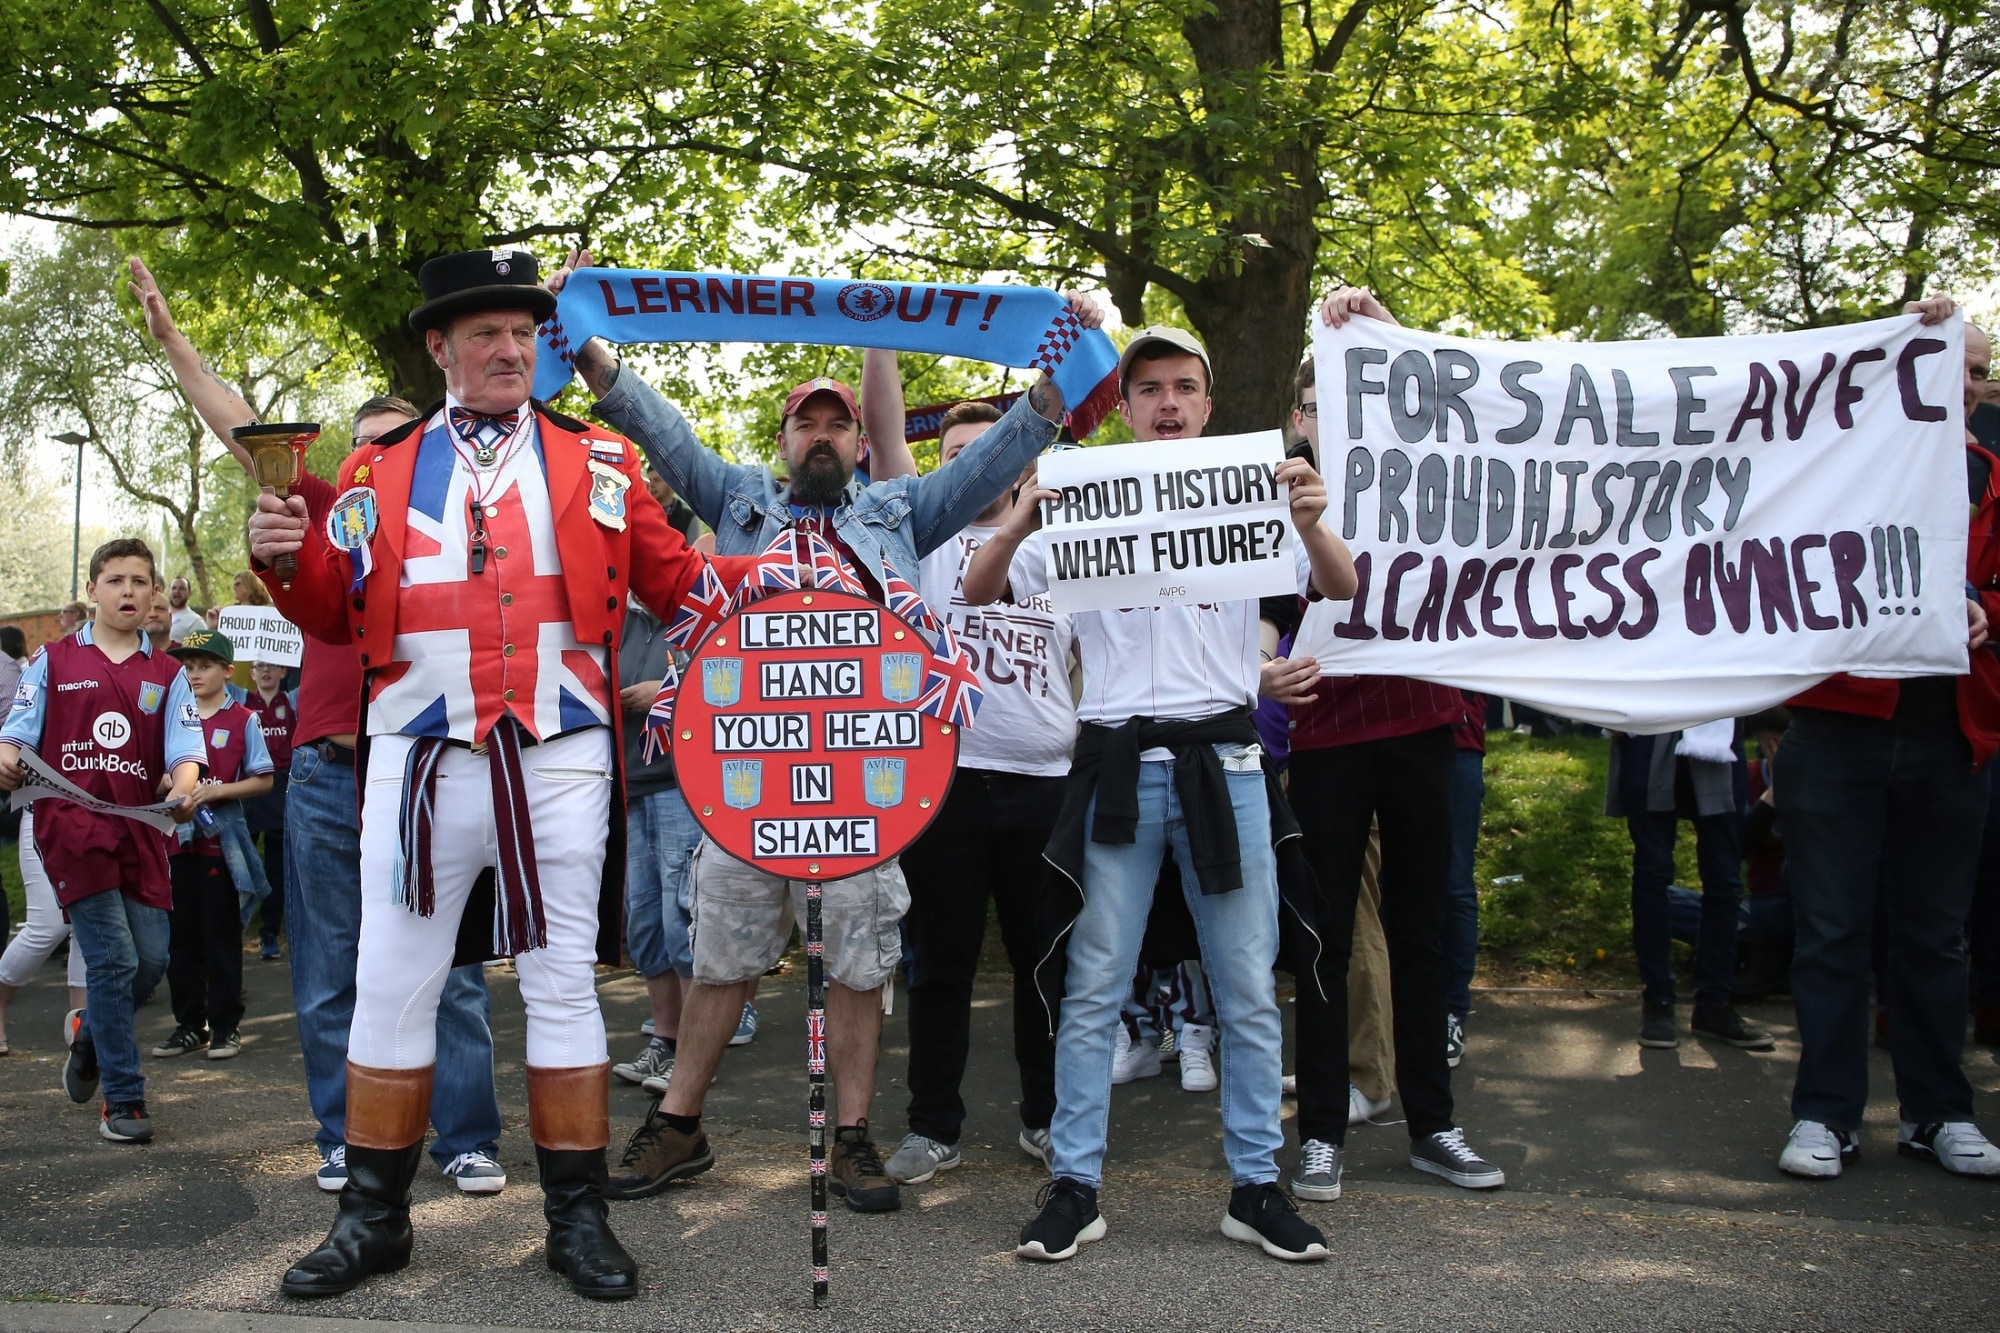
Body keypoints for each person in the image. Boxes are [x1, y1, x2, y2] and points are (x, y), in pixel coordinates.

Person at [248, 248, 753, 1299]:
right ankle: (373, 1219)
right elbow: (330, 615)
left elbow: (685, 582)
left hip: (561, 753)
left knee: (564, 978)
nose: (510, 349)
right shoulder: (373, 473)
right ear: (440, 348)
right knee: (393, 976)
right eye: (486, 333)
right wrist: (278, 557)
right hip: (418, 755)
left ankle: (575, 1220)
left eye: (523, 332)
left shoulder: (600, 459)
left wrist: (799, 579)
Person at [558, 249, 1094, 1216]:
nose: (821, 435)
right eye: (806, 420)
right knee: (721, 952)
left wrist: (1069, 359)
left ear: (857, 442)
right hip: (745, 789)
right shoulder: (737, 502)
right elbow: (648, 416)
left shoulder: (902, 511)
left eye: (837, 423)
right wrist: (579, 330)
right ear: (782, 435)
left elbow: (1003, 451)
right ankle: (679, 1124)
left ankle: (852, 1137)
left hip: (862, 794)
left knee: (859, 957)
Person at [962, 324, 1356, 1264]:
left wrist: (1308, 517)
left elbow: (1341, 582)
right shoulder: (1087, 501)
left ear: (1208, 404)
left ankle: (1256, 1184)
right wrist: (1023, 514)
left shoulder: (1250, 493)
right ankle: (1076, 1184)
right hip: (1115, 767)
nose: (1168, 403)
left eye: (1184, 386)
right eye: (1150, 391)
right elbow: (979, 591)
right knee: (1094, 982)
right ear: (1129, 407)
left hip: (1226, 768)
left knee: (1247, 985)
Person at [129, 255, 510, 1201]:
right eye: (360, 447)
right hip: (330, 776)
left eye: (396, 440)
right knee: (330, 967)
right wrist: (175, 344)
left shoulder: (461, 514)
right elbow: (238, 427)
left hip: (432, 765)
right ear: (342, 465)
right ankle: (344, 1137)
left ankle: (464, 1135)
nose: (375, 458)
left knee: (452, 971)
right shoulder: (330, 512)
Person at [1265, 289, 1510, 1207]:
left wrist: (1383, 325)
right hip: (1329, 735)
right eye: (1327, 398)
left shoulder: (1433, 470)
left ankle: (1432, 1121)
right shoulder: (1275, 496)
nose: (1347, 413)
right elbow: (1259, 615)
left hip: (1427, 728)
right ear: (1300, 417)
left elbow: (1452, 393)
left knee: (1421, 932)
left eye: (1359, 394)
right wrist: (1266, 669)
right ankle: (1322, 1130)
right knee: (1325, 937)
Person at [1774, 303, 2000, 1180]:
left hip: (1952, 737)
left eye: (1977, 369)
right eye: (1949, 363)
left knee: (1936, 937)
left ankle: (1937, 1111)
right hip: (1839, 731)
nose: (1966, 381)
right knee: (1829, 932)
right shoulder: (1843, 468)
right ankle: (1825, 1116)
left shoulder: (1993, 479)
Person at [885, 400, 1077, 1186]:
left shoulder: (1061, 551)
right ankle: (934, 1125)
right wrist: (878, 321)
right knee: (940, 964)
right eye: (957, 454)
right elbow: (885, 425)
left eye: (988, 452)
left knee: (1048, 967)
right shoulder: (921, 546)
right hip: (947, 790)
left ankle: (1048, 1119)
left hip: (1046, 788)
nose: (975, 466)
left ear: (1017, 463)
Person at [0, 538, 204, 1143]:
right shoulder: (53, 660)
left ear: (153, 594)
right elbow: (16, 733)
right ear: (93, 589)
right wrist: (8, 757)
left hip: (141, 830)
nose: (128, 592)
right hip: (71, 828)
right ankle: (124, 1099)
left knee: (150, 961)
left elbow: (186, 753)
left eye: (140, 582)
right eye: (115, 580)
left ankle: (89, 1039)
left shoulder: (168, 674)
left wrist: (185, 784)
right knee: (112, 959)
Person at [608, 468, 708, 1097]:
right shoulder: (611, 608)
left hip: (676, 783)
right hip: (624, 784)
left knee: (681, 921)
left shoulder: (690, 613)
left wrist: (664, 693)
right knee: (642, 923)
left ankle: (695, 1057)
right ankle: (663, 1041)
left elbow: (726, 681)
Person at [1605, 722, 1772, 1050]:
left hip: (1717, 724)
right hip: (1650, 726)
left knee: (1724, 877)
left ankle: (1715, 1003)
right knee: (1652, 873)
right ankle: (1658, 1001)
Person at [153, 628, 273, 1062]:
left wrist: (215, 791)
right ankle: (189, 1024)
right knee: (179, 940)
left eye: (204, 666)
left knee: (220, 937)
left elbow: (264, 779)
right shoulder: (170, 717)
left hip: (222, 846)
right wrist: (172, 783)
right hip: (175, 844)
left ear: (227, 670)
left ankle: (225, 1026)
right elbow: (155, 772)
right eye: (187, 666)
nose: (194, 674)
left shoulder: (242, 719)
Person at [237, 660, 296, 960]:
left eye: (272, 665)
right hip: (251, 788)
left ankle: (269, 933)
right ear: (251, 673)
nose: (265, 671)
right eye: (259, 666)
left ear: (284, 672)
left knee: (277, 867)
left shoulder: (292, 701)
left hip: (283, 786)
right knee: (243, 864)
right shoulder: (242, 701)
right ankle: (235, 928)